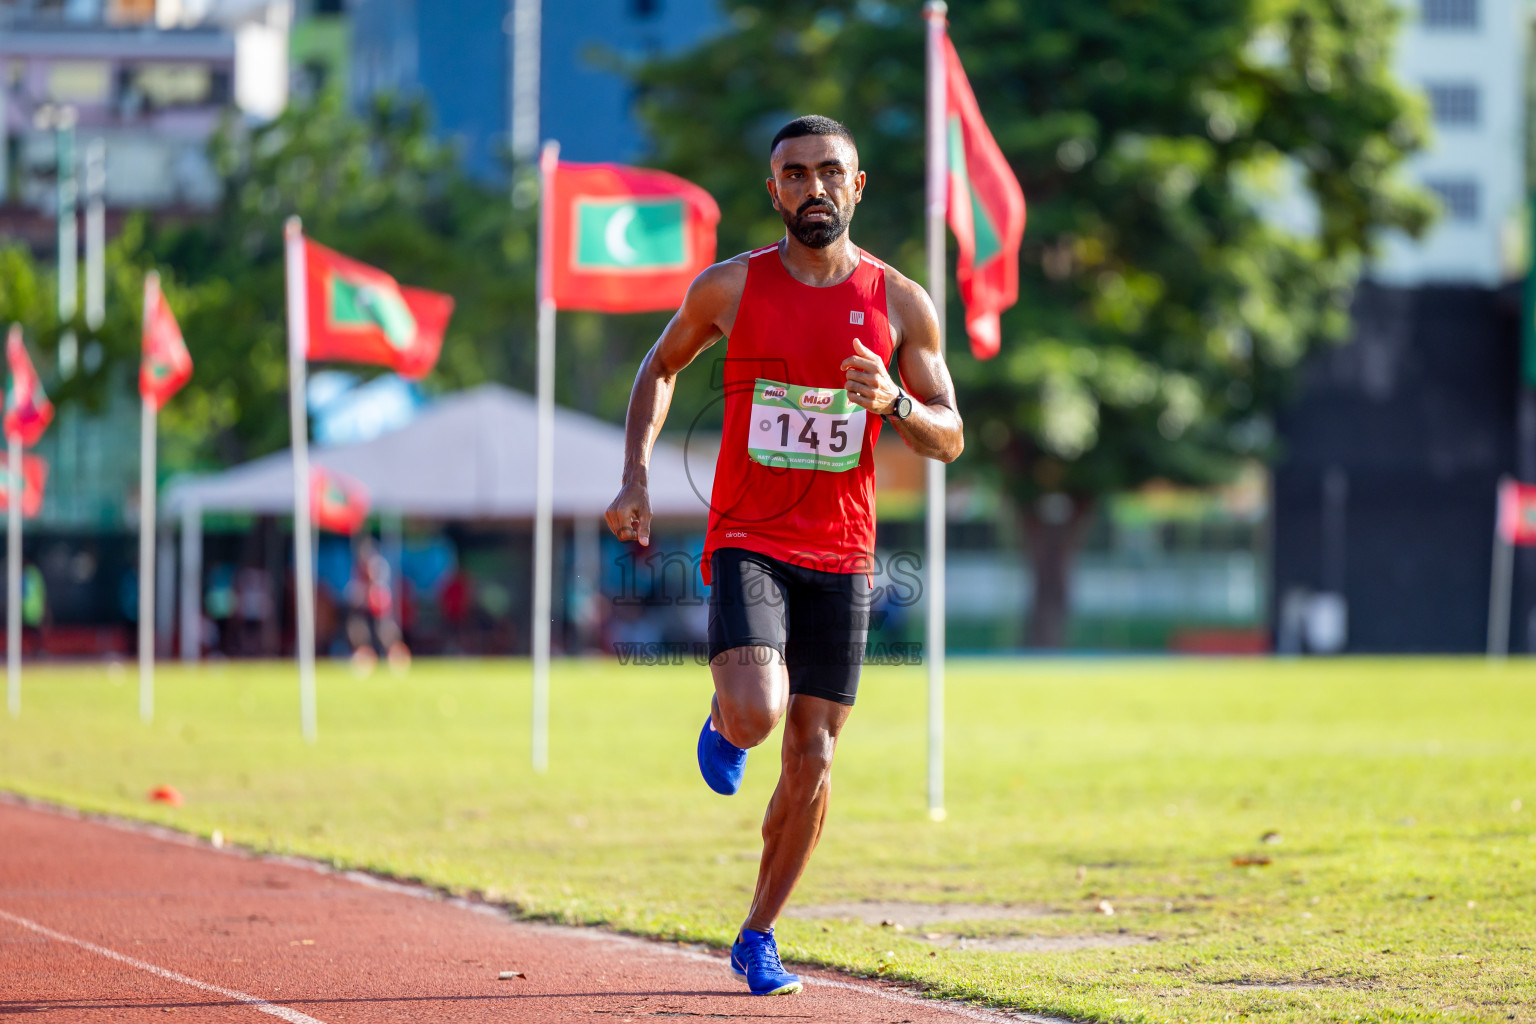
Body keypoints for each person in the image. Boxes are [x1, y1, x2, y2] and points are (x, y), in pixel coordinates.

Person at [604, 115, 964, 997]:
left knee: (815, 756)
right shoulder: (731, 287)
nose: (813, 188)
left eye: (829, 172)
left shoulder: (901, 301)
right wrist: (637, 477)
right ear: (774, 191)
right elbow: (659, 368)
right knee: (762, 714)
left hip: (843, 554)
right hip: (749, 538)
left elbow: (951, 435)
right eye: (795, 175)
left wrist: (893, 403)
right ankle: (726, 720)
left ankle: (759, 933)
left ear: (857, 185)